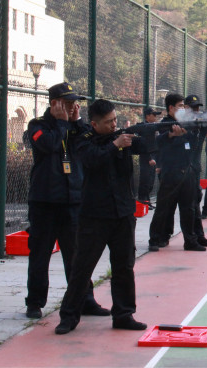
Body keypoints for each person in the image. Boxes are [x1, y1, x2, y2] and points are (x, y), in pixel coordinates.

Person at [55, 98, 147, 335]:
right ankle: (69, 316)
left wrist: (169, 136)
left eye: (115, 120)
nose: (114, 125)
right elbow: (92, 159)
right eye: (108, 122)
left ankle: (124, 314)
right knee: (82, 268)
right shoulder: (84, 140)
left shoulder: (121, 137)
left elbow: (145, 146)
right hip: (95, 215)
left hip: (122, 212)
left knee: (124, 267)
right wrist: (116, 145)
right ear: (94, 124)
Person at [25, 82, 108, 320]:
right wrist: (62, 122)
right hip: (45, 201)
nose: (73, 107)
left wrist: (77, 121)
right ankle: (35, 302)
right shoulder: (38, 126)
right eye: (68, 103)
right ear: (54, 104)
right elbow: (49, 144)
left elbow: (93, 141)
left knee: (77, 255)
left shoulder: (77, 128)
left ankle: (85, 299)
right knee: (40, 254)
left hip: (73, 201)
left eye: (75, 104)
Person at [147, 93, 207, 252]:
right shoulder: (165, 124)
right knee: (163, 208)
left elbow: (193, 141)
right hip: (171, 172)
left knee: (189, 208)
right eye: (180, 106)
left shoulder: (186, 122)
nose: (184, 108)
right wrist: (173, 135)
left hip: (187, 170)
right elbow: (160, 143)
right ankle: (155, 239)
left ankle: (190, 241)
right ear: (171, 108)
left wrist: (195, 128)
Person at [183, 94, 207, 247]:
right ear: (185, 108)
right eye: (193, 108)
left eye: (197, 108)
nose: (196, 111)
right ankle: (158, 238)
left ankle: (197, 237)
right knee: (169, 205)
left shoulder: (200, 125)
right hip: (181, 169)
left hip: (194, 168)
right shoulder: (180, 122)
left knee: (195, 201)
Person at [136, 106, 162, 209]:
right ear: (147, 116)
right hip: (146, 158)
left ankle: (147, 201)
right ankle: (143, 202)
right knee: (145, 181)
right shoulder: (143, 127)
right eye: (153, 115)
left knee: (150, 181)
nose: (155, 117)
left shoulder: (153, 127)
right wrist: (150, 158)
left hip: (154, 157)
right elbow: (145, 144)